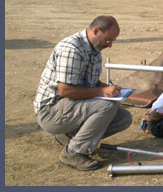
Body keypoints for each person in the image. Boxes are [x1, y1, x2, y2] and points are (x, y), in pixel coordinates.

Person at [33, 16, 132, 171]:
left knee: (123, 118)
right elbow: (65, 90)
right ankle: (73, 153)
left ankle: (69, 136)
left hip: (68, 107)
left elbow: (88, 82)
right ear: (96, 31)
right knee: (106, 106)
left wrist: (106, 87)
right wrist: (101, 91)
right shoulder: (71, 49)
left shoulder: (94, 49)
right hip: (51, 110)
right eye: (108, 40)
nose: (110, 45)